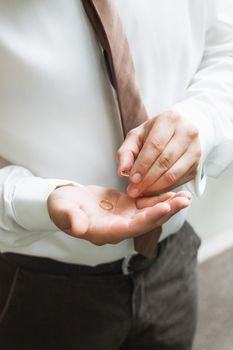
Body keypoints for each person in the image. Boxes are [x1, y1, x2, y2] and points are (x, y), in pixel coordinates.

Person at [0, 1, 233, 349]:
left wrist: (205, 117)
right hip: (35, 288)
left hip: (172, 261)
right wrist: (35, 200)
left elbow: (225, 46)